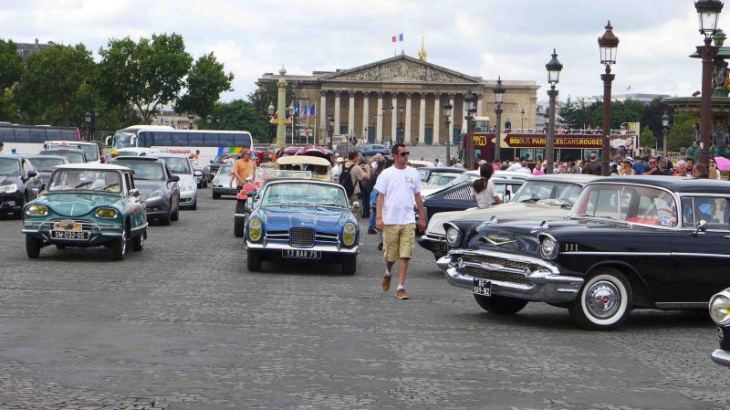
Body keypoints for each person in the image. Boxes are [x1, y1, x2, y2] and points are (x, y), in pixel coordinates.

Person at [375, 143, 426, 300]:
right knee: (391, 255)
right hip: (390, 220)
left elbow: (418, 196)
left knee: (406, 254)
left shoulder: (413, 173)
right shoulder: (386, 174)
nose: (406, 156)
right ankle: (388, 272)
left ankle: (400, 286)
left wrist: (422, 218)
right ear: (395, 156)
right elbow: (380, 197)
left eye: (407, 153)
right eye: (403, 154)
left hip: (408, 220)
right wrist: (378, 218)